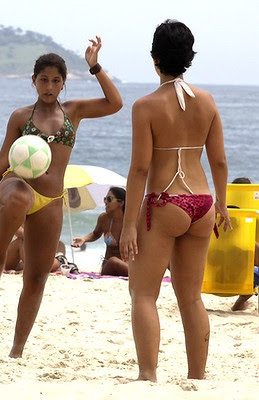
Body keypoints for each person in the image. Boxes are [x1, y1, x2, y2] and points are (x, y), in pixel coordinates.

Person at [0, 36, 122, 358]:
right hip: (16, 185)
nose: (49, 86)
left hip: (50, 200)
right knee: (18, 195)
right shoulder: (20, 117)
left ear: (64, 84)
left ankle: (17, 350)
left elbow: (115, 103)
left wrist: (95, 67)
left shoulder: (74, 111)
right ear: (33, 81)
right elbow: (2, 161)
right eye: (43, 79)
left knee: (36, 278)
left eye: (56, 80)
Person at [119, 20, 232, 382]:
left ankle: (148, 376)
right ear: (189, 57)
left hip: (164, 203)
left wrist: (128, 225)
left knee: (143, 294)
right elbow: (219, 161)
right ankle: (197, 376)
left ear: (154, 59)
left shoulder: (146, 106)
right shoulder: (208, 101)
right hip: (201, 202)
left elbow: (139, 169)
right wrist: (223, 205)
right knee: (191, 298)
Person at [71, 187, 128, 276]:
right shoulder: (104, 219)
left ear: (121, 203)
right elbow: (95, 234)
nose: (105, 202)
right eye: (105, 199)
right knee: (112, 261)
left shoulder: (130, 223)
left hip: (126, 266)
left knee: (114, 261)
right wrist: (84, 239)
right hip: (108, 266)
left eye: (109, 199)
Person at [0, 216, 67, 272]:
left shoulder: (29, 220)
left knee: (60, 244)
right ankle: (56, 263)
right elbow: (28, 239)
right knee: (20, 242)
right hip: (0, 261)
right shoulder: (1, 222)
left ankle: (58, 261)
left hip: (22, 262)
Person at [229, 177, 258, 311]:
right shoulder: (248, 243)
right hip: (242, 282)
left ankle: (239, 305)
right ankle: (239, 303)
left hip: (212, 282)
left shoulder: (210, 238)